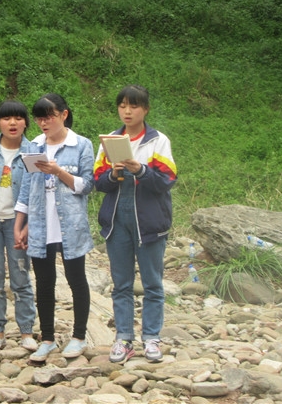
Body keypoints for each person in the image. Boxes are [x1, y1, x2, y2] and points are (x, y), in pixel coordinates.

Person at [93, 85, 177, 363]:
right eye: (122, 106)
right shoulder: (110, 140)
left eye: (134, 106)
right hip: (117, 220)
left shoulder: (157, 141)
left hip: (149, 222)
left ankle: (151, 337)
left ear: (146, 109)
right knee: (121, 284)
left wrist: (140, 170)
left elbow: (167, 180)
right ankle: (124, 338)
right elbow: (98, 181)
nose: (127, 111)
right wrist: (113, 174)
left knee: (152, 283)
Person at [13, 93, 95, 362]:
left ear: (64, 114)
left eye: (49, 117)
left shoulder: (81, 144)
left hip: (70, 223)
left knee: (76, 279)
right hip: (40, 222)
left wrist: (59, 172)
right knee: (44, 282)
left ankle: (79, 336)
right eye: (39, 118)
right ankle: (47, 339)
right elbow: (26, 188)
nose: (44, 123)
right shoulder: (34, 146)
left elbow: (87, 185)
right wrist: (19, 224)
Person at [0, 100, 38, 354]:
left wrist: (28, 225)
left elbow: (37, 190)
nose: (12, 123)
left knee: (20, 275)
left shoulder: (33, 152)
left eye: (18, 118)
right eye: (6, 118)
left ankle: (26, 331)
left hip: (17, 222)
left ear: (26, 122)